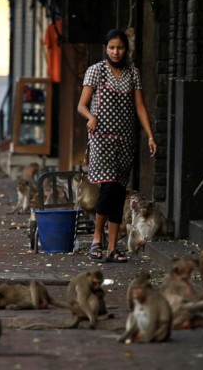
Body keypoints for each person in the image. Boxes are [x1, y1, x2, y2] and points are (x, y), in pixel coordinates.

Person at [77, 29, 157, 263]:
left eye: (120, 47)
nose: (115, 51)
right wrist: (90, 116)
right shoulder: (96, 71)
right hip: (101, 138)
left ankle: (112, 247)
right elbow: (81, 105)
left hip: (125, 140)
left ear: (126, 49)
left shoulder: (133, 73)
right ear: (106, 48)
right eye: (111, 47)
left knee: (119, 191)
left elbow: (140, 107)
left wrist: (150, 136)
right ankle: (96, 239)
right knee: (109, 187)